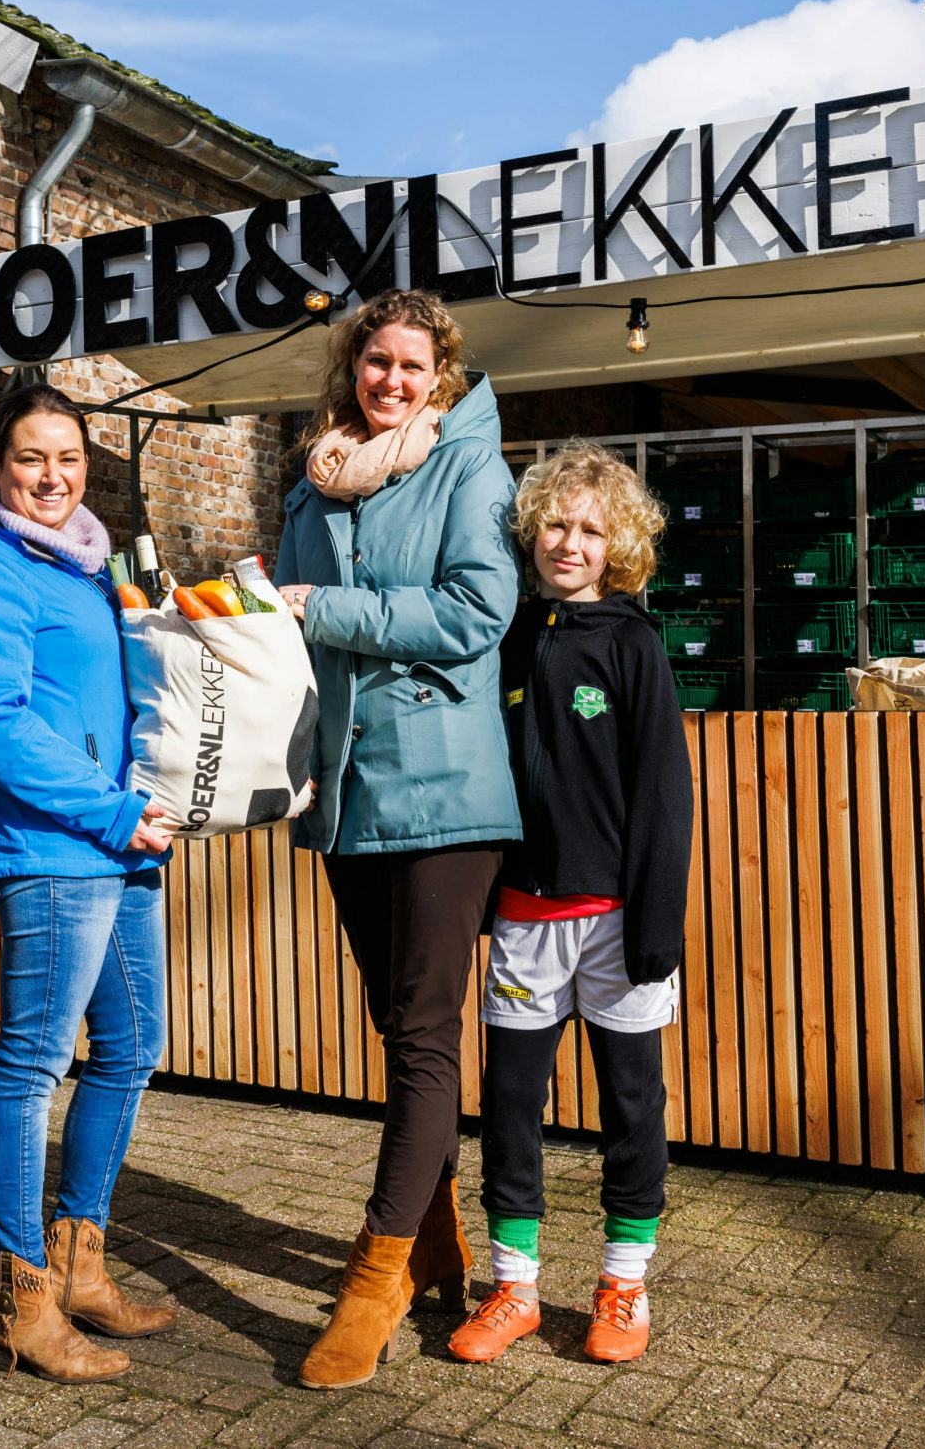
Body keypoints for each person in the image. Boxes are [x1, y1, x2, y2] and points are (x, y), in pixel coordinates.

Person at [274, 288, 522, 1390]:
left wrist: (317, 611)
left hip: (447, 794)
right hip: (347, 795)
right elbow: (287, 630)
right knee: (396, 1027)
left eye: (412, 366)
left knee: (424, 1034)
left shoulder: (469, 467)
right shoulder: (314, 477)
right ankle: (433, 1246)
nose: (391, 381)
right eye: (376, 362)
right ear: (353, 369)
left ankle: (372, 1280)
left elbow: (477, 611)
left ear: (442, 376)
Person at [0, 383, 180, 1383]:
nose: (51, 476)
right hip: (49, 852)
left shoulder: (86, 565)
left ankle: (80, 1262)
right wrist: (117, 809)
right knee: (35, 1064)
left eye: (67, 459)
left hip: (123, 847)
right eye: (31, 459)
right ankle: (18, 1297)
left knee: (130, 1050)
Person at [445, 440, 693, 1368]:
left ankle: (624, 1283)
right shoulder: (508, 637)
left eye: (591, 529)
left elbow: (664, 793)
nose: (570, 542)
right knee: (511, 1103)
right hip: (524, 917)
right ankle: (515, 1287)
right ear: (531, 530)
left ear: (619, 544)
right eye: (556, 522)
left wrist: (655, 922)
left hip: (617, 924)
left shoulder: (633, 645)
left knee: (631, 1101)